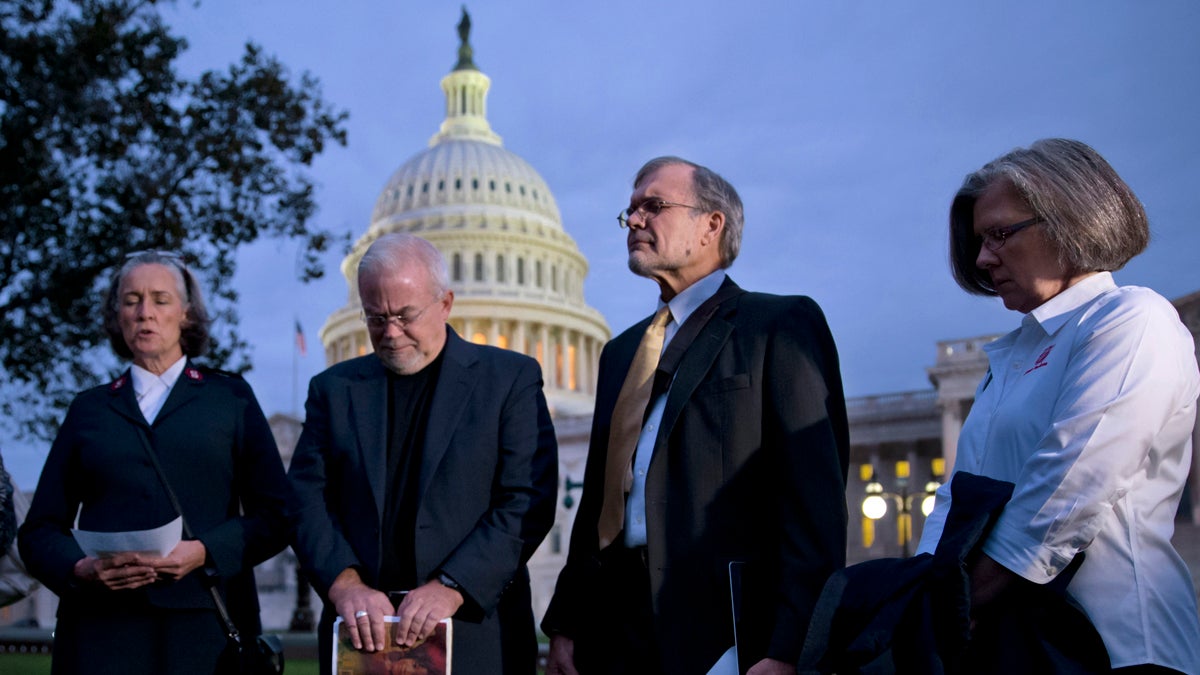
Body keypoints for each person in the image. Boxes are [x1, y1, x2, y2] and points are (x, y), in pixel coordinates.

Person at [542, 157, 850, 674]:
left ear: (712, 225)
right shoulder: (620, 354)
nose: (635, 221)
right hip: (617, 632)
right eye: (631, 211)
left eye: (654, 206)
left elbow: (814, 503)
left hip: (723, 632)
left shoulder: (777, 325)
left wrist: (788, 648)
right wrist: (568, 625)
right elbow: (599, 501)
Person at [916, 138, 1200, 673]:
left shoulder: (1133, 319)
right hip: (1014, 643)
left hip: (1117, 644)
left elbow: (1066, 492)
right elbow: (957, 497)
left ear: (1072, 219)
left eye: (1000, 234)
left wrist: (954, 604)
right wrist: (922, 593)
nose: (981, 257)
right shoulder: (1012, 357)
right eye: (979, 239)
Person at [287, 232, 558, 674]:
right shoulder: (333, 391)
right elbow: (305, 502)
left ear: (445, 303)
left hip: (475, 631)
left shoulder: (508, 379)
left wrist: (452, 586)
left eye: (405, 315)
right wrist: (344, 585)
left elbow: (527, 498)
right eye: (376, 318)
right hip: (360, 635)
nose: (391, 333)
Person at [18, 250, 290, 674]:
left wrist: (203, 552)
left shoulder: (230, 399)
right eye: (131, 300)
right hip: (99, 635)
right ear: (117, 316)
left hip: (205, 633)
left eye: (160, 300)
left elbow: (277, 516)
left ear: (185, 313)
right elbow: (38, 532)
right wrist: (82, 567)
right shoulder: (88, 410)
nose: (145, 313)